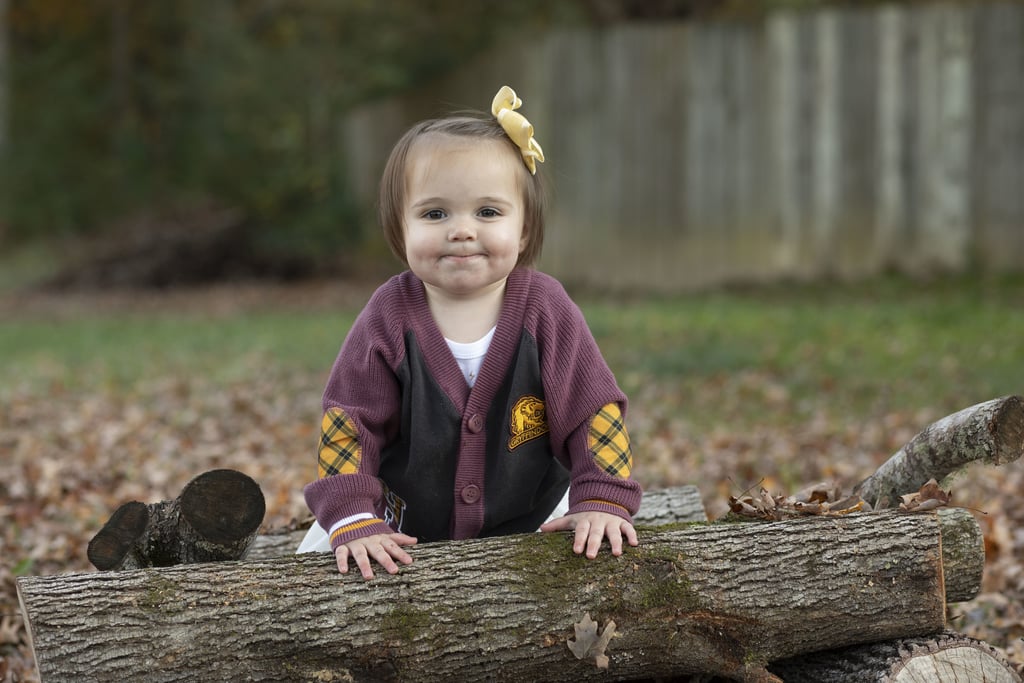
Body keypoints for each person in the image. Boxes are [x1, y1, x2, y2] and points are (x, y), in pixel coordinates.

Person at [298, 85, 642, 579]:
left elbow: (593, 412)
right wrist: (353, 515)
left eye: (488, 212)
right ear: (401, 228)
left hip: (532, 516)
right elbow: (349, 424)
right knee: (325, 576)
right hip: (396, 525)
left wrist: (603, 498)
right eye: (435, 213)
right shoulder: (388, 315)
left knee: (607, 554)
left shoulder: (546, 309)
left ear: (523, 230)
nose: (462, 229)